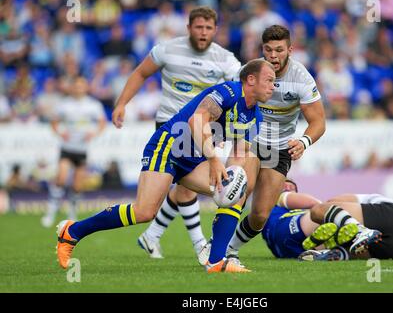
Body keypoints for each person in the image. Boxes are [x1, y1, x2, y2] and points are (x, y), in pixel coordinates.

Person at [55, 59, 275, 274]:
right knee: (144, 212)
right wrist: (215, 160)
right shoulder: (229, 92)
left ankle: (216, 261)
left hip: (194, 157)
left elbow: (241, 152)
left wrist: (234, 177)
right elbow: (196, 120)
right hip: (168, 146)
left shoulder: (256, 115)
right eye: (269, 80)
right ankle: (72, 231)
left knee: (234, 192)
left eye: (274, 82)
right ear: (251, 79)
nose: (273, 87)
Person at [111, 6, 241, 260]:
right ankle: (199, 245)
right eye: (198, 27)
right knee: (185, 189)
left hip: (203, 129)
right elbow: (140, 73)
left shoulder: (225, 59)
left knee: (184, 188)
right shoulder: (167, 50)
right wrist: (121, 103)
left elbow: (241, 88)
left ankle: (153, 236)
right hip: (171, 127)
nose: (203, 33)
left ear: (216, 30)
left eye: (208, 28)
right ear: (189, 28)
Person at [199, 25, 326, 269]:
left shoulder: (301, 78)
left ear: (290, 49)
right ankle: (219, 254)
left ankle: (230, 248)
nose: (273, 56)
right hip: (250, 140)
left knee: (259, 216)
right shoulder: (252, 72)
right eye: (268, 50)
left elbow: (318, 121)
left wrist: (303, 141)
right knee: (235, 192)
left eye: (279, 50)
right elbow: (232, 100)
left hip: (279, 149)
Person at [261, 179, 393, 261]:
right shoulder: (280, 199)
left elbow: (329, 204)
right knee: (323, 213)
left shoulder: (268, 212)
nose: (288, 188)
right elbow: (320, 203)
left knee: (323, 214)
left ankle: (348, 242)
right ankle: (342, 250)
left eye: (291, 185)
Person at [41, 77, 107, 228]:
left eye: (81, 86)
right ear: (72, 88)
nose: (78, 88)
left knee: (77, 186)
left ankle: (72, 214)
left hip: (82, 149)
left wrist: (94, 133)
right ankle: (50, 213)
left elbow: (102, 122)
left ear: (86, 87)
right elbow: (54, 121)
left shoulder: (93, 105)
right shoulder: (65, 104)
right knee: (61, 179)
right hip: (67, 148)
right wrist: (60, 133)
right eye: (76, 86)